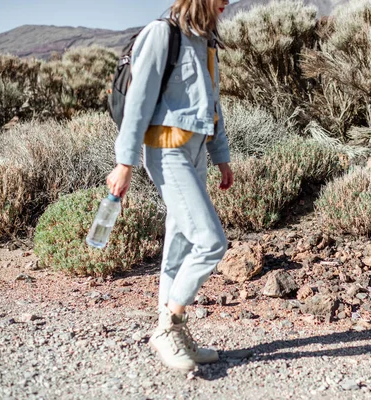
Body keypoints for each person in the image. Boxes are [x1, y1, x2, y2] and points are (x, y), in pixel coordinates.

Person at [106, 0, 233, 372]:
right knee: (211, 241)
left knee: (179, 244)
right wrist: (124, 163)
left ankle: (171, 333)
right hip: (166, 150)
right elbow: (139, 104)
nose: (227, 3)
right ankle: (169, 327)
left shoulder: (206, 41)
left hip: (195, 152)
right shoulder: (162, 34)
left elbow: (212, 105)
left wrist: (220, 155)